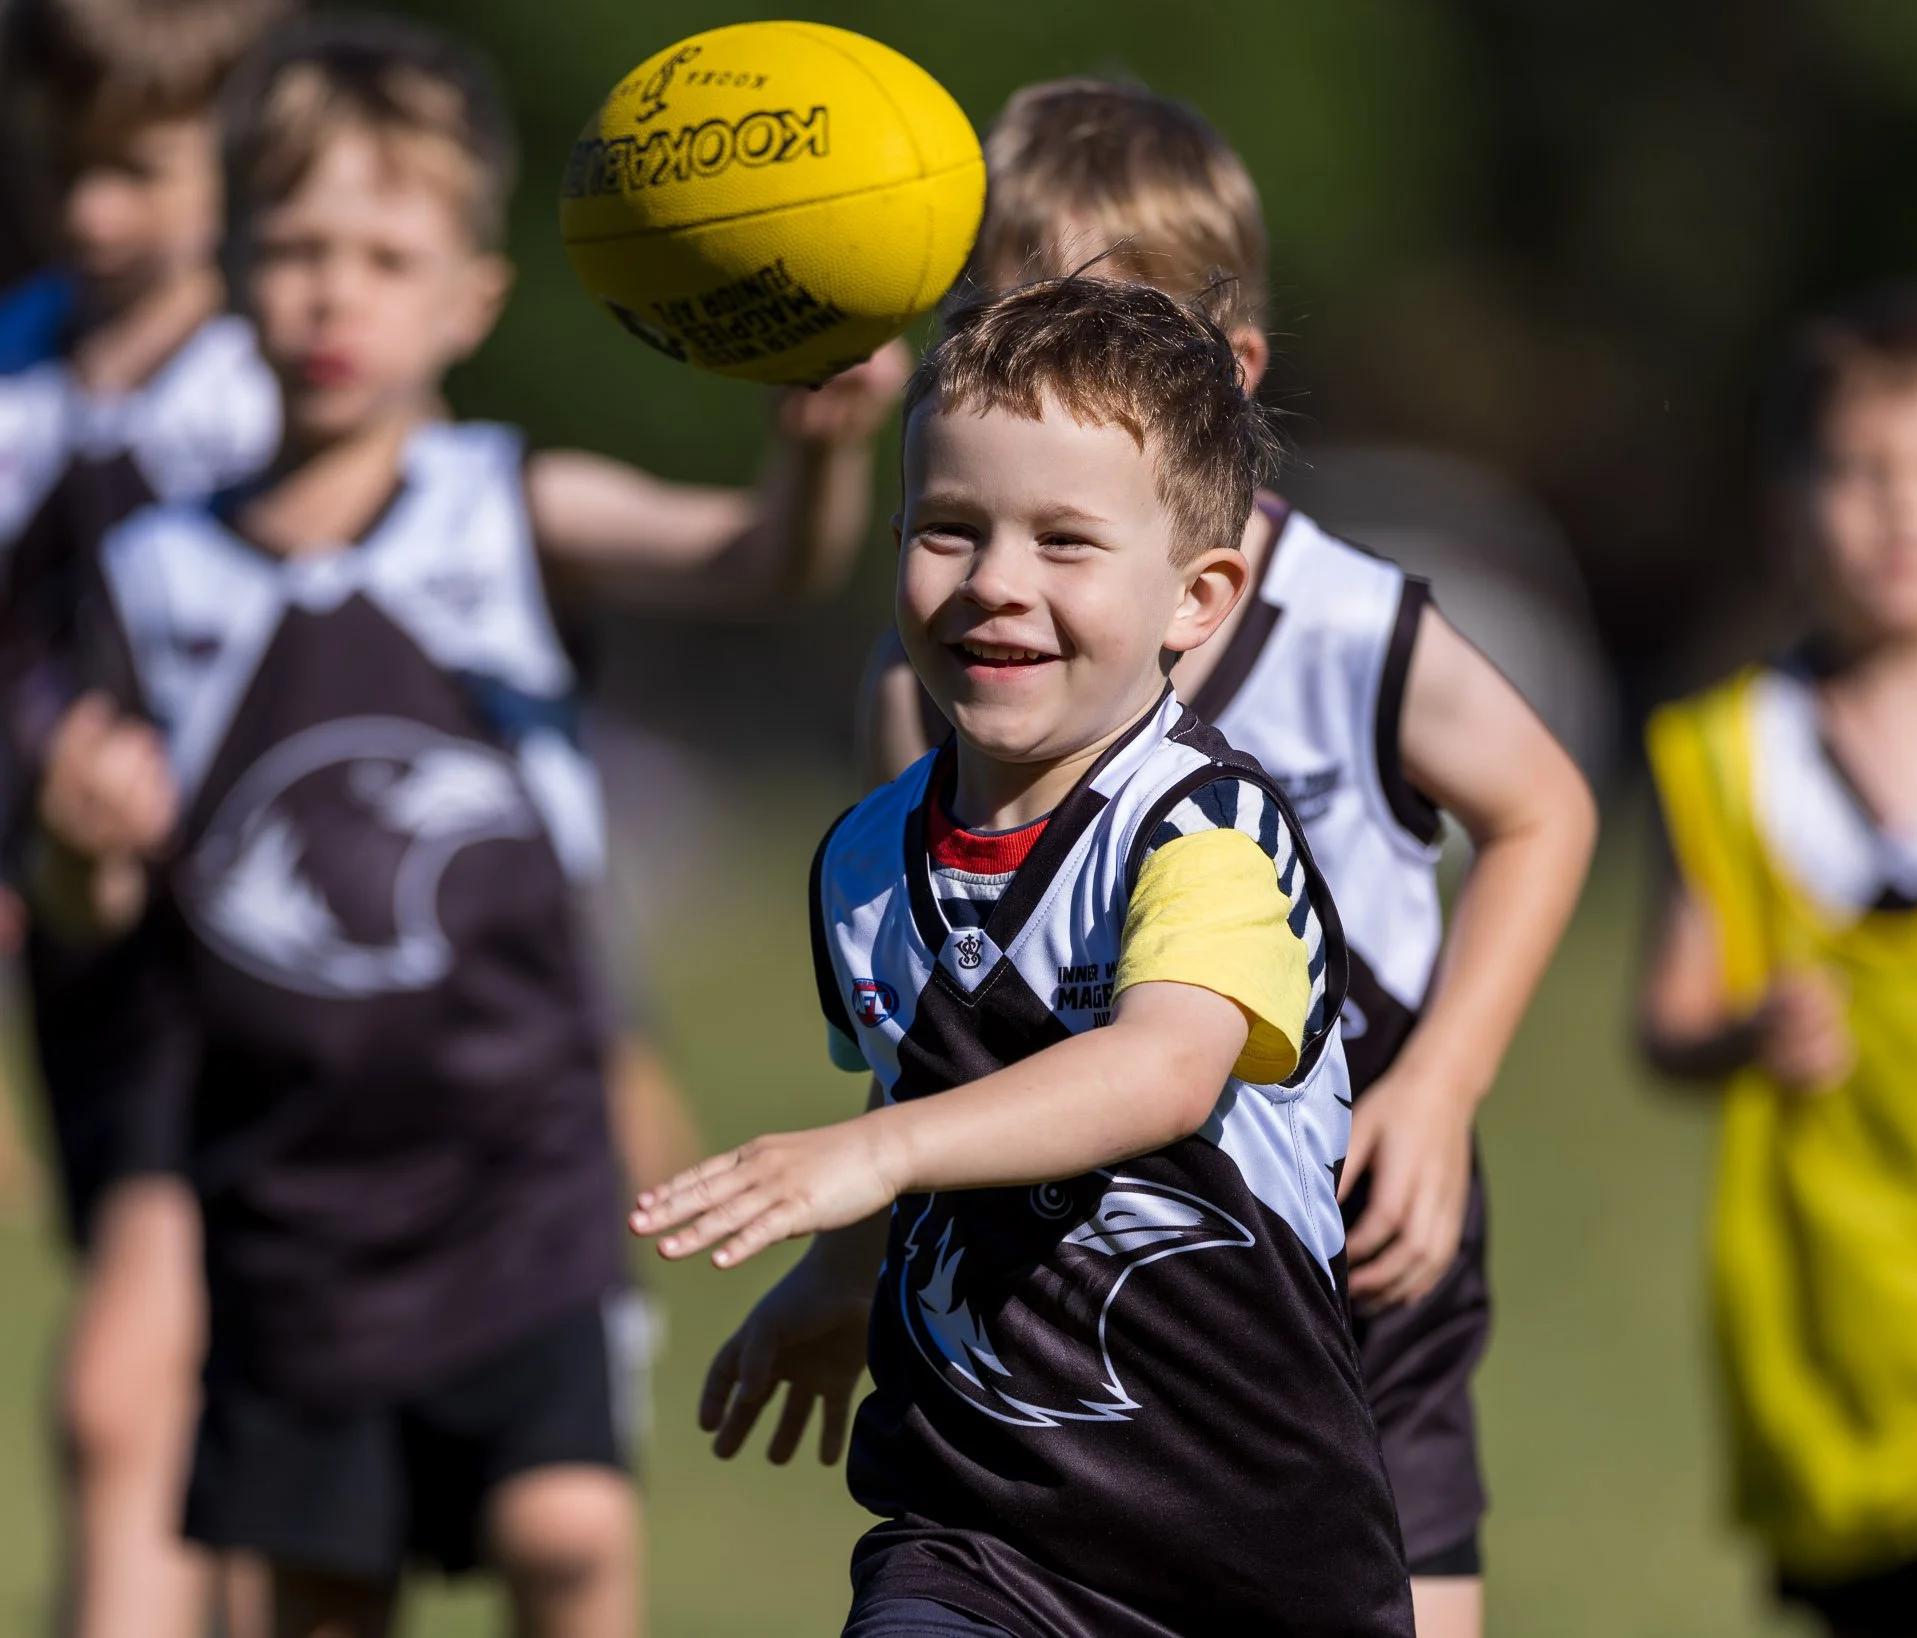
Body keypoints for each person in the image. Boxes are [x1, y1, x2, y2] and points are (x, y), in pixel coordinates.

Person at [28, 14, 905, 1637]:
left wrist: (815, 468)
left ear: (470, 297)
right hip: (284, 1194)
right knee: (318, 1592)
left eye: (382, 254)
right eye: (292, 248)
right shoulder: (153, 577)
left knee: (565, 1531)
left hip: (515, 1165)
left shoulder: (507, 510)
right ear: (230, 267)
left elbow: (749, 563)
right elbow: (97, 909)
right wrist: (79, 846)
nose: (332, 291)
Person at [853, 79, 1596, 1638]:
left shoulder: (1352, 623)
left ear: (1229, 373)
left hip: (1342, 1211)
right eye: (1001, 320)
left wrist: (1444, 1086)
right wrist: (842, 1260)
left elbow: (1545, 809)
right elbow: (929, 1027)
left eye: (1096, 325)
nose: (1043, 368)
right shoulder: (960, 673)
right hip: (1073, 1263)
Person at [635, 275, 1416, 1638]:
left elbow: (1164, 1068)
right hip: (975, 1534)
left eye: (1066, 542)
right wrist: (837, 1274)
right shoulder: (866, 862)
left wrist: (874, 1159)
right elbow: (918, 1083)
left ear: (1199, 596)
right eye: (950, 529)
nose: (996, 581)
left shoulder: (1205, 828)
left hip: (1255, 1556)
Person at [1638, 285, 1917, 1638]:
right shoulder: (1731, 763)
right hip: (1837, 1329)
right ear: (1791, 509)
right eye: (1861, 470)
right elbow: (1667, 1022)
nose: (1902, 508)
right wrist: (1747, 1032)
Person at [0, 2, 292, 1633]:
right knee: (193, 1416)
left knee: (127, 1392)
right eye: (70, 165)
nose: (98, 210)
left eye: (146, 170)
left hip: (248, 955)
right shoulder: (18, 361)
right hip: (80, 951)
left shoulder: (278, 387)